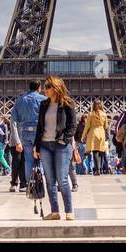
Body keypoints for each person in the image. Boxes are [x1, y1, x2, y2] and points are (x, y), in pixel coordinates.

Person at [33, 75, 77, 221]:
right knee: (50, 180)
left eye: (47, 87)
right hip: (45, 145)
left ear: (56, 87)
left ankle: (69, 211)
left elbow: (72, 126)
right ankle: (55, 211)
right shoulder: (44, 104)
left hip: (61, 146)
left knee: (62, 179)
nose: (44, 89)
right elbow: (40, 127)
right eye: (44, 87)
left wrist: (64, 141)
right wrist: (36, 146)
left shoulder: (68, 104)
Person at [11, 80, 46, 189]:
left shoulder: (20, 99)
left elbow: (13, 121)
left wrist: (17, 141)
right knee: (40, 158)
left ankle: (30, 184)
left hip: (25, 132)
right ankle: (40, 184)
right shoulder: (43, 99)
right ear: (39, 87)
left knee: (28, 160)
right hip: (40, 132)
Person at [82, 99, 109, 175]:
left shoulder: (91, 114)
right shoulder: (104, 114)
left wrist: (83, 136)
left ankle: (97, 170)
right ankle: (100, 169)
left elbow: (87, 126)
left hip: (93, 133)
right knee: (101, 152)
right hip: (101, 134)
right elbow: (106, 126)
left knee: (95, 152)